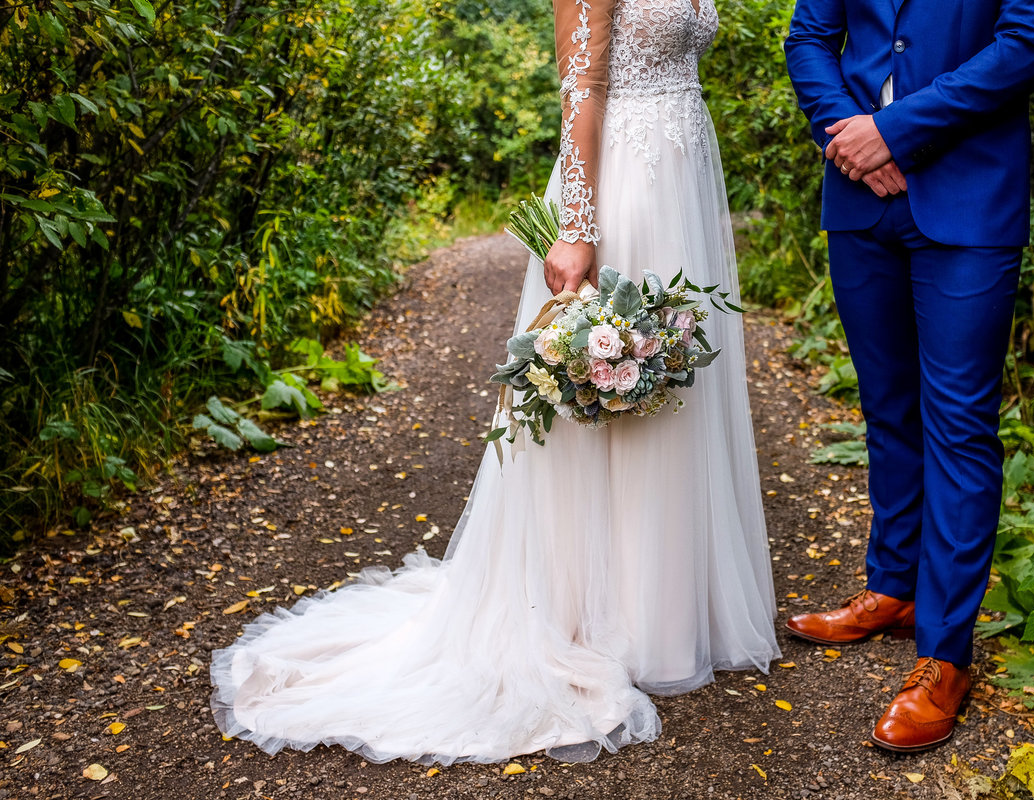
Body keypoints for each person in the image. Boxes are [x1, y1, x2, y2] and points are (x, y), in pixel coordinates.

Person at [209, 0, 779, 765]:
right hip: (625, 187)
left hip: (683, 177)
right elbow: (582, 84)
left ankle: (673, 611)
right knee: (616, 384)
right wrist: (577, 222)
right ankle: (604, 616)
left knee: (674, 390)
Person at [783, 0, 1034, 753]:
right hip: (858, 200)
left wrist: (894, 132)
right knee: (886, 408)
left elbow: (1029, 42)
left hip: (969, 195)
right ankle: (893, 588)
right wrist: (848, 139)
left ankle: (945, 656)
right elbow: (810, 35)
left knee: (959, 424)